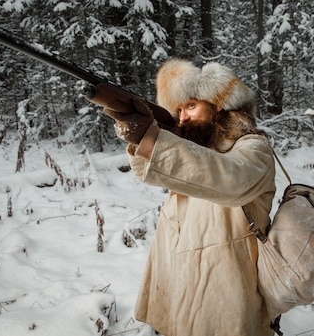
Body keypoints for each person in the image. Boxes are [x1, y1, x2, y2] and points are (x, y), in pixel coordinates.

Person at [103, 59, 277, 336]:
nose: (182, 117)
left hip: (227, 293)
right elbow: (149, 169)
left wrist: (154, 139)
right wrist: (144, 139)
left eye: (191, 106)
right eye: (179, 110)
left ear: (217, 104)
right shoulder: (197, 151)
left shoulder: (253, 148)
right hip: (183, 286)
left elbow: (230, 179)